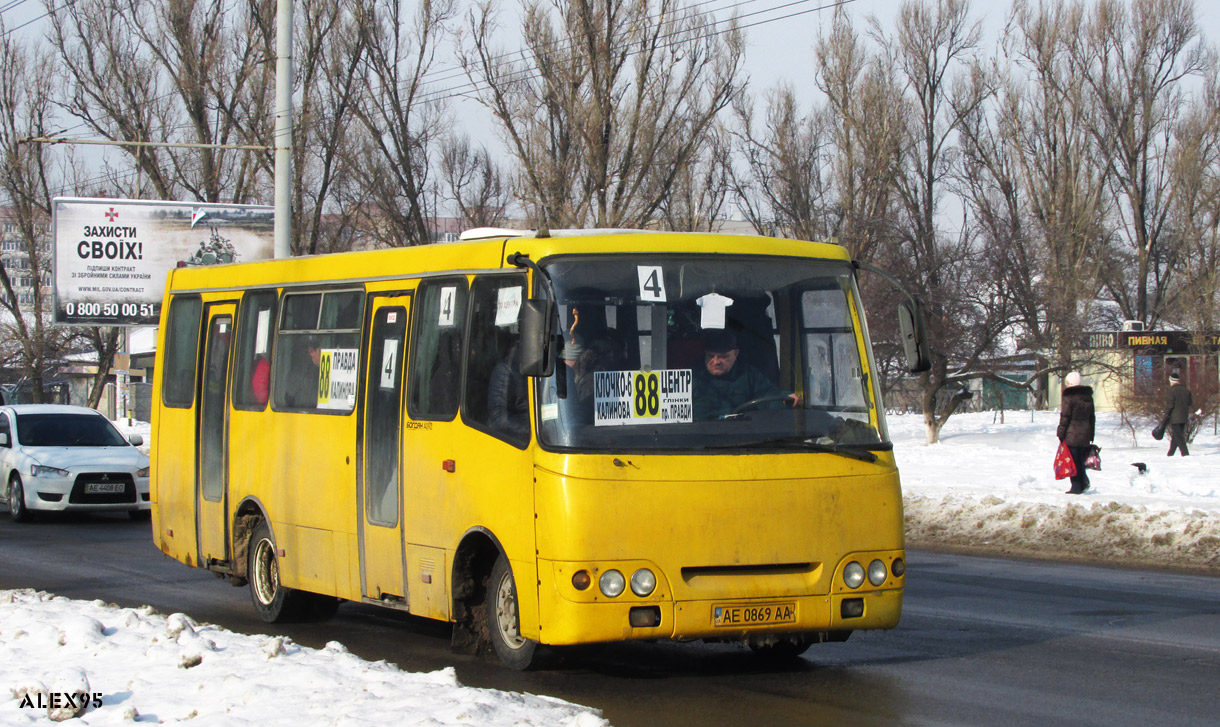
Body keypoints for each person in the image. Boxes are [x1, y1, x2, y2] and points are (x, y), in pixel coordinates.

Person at [693, 329, 799, 420]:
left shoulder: (748, 374)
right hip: (699, 437)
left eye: (723, 356)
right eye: (710, 356)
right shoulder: (691, 377)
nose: (716, 362)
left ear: (735, 354)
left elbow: (766, 394)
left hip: (743, 436)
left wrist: (783, 397)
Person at [1056, 371, 1095, 494]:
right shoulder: (1088, 398)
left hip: (1072, 433)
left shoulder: (1069, 398)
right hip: (1085, 433)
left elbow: (1065, 417)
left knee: (1072, 460)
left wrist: (1060, 433)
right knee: (1080, 460)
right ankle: (1083, 483)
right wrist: (1091, 434)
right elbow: (1092, 417)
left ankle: (1076, 486)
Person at [489, 345, 529, 440]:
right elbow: (498, 418)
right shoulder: (506, 370)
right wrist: (535, 429)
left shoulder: (550, 370)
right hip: (517, 441)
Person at [1163, 369, 1193, 457]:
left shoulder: (1172, 391)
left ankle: (1185, 454)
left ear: (1171, 381)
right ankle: (1170, 454)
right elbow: (1190, 403)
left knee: (1179, 436)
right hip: (1184, 416)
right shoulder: (1186, 390)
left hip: (1175, 417)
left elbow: (1170, 404)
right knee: (1176, 436)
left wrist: (1166, 414)